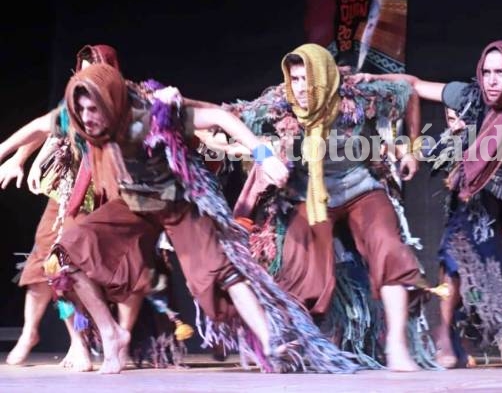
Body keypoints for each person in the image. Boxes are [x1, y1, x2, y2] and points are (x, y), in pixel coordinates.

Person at [44, 62, 357, 374]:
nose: (87, 117)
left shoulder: (154, 113)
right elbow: (40, 127)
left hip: (178, 206)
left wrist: (264, 156)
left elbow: (219, 117)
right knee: (66, 254)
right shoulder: (80, 122)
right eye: (82, 109)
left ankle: (271, 342)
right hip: (133, 206)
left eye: (93, 109)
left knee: (220, 275)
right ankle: (112, 335)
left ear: (110, 101)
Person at [358, 40, 502, 369]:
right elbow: (414, 85)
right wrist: (374, 79)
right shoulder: (469, 95)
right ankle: (446, 336)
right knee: (457, 255)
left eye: (501, 73)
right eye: (487, 72)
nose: (493, 80)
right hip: (483, 186)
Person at [228, 43, 433, 372]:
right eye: (294, 78)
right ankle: (303, 343)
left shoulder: (356, 94)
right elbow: (227, 118)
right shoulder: (279, 103)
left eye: (307, 78)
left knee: (386, 243)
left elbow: (409, 88)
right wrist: (263, 157)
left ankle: (396, 344)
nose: (300, 87)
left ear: (324, 76)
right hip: (309, 194)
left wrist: (412, 148)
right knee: (299, 261)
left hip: (359, 188)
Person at [0, 45, 121, 371]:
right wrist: (15, 158)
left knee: (77, 270)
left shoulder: (120, 106)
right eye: (79, 72)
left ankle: (93, 339)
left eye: (91, 71)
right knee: (45, 265)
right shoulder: (73, 105)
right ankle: (42, 335)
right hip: (65, 195)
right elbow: (43, 127)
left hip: (103, 200)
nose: (83, 79)